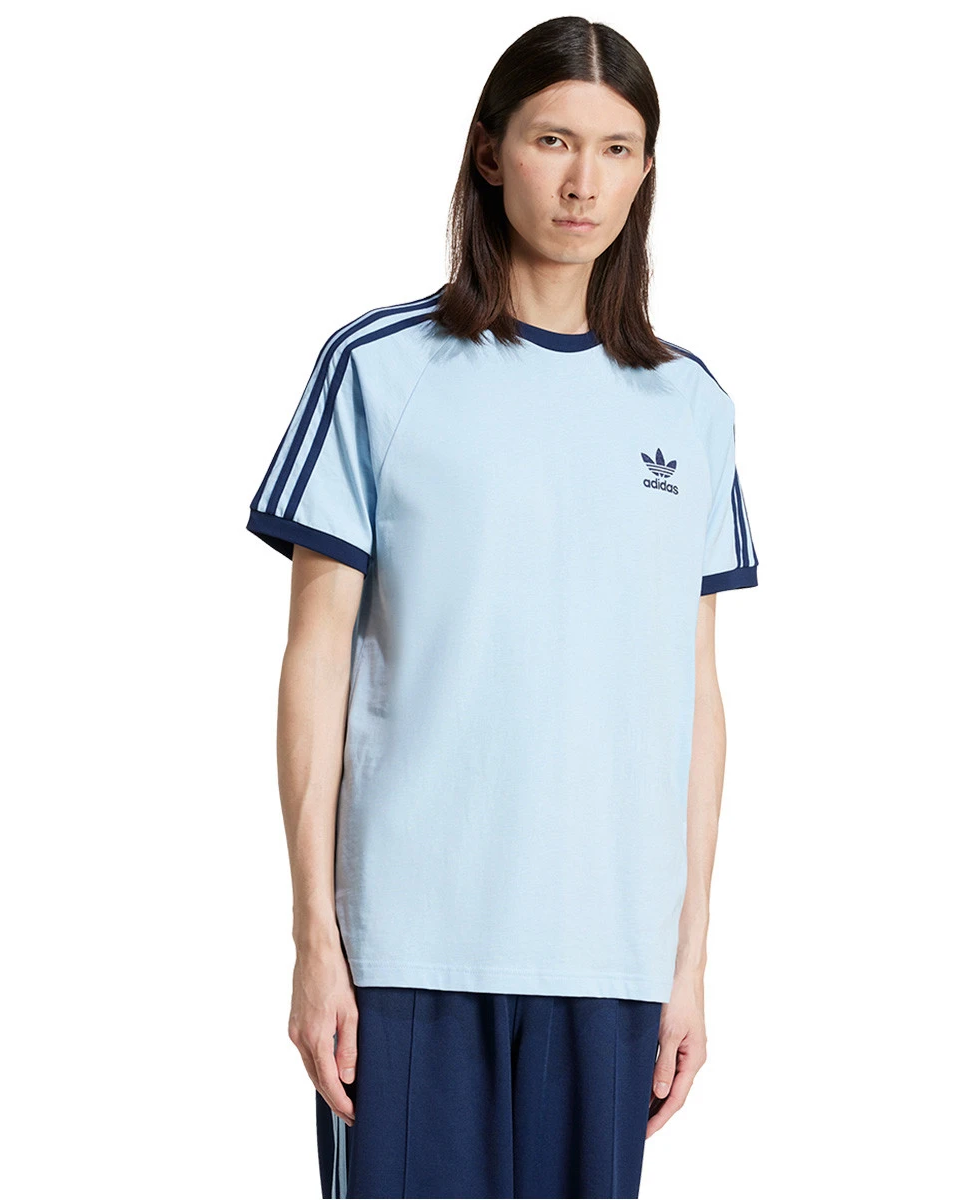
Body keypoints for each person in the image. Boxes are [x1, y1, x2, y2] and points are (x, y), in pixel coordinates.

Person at [245, 16, 760, 1199]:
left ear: (645, 170)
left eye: (618, 150)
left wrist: (687, 962)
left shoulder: (689, 405)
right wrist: (316, 940)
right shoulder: (380, 368)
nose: (585, 183)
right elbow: (314, 664)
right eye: (553, 140)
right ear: (490, 152)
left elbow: (695, 698)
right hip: (410, 953)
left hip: (611, 957)